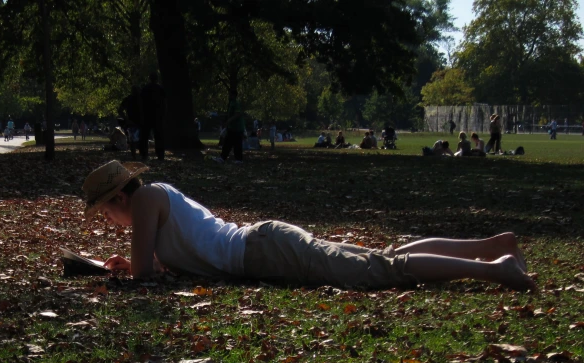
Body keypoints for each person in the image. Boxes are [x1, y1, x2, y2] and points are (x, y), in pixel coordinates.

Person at [82, 160, 534, 291]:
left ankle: (496, 268)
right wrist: (140, 265)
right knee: (388, 259)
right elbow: (167, 264)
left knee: (386, 272)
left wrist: (126, 271)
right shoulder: (155, 199)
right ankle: (491, 245)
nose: (109, 220)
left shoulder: (144, 199)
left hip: (263, 249)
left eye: (105, 211)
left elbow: (143, 277)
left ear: (120, 196)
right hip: (263, 244)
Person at [139, 72, 166, 161]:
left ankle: (144, 153)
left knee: (145, 136)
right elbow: (164, 102)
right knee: (159, 136)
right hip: (157, 115)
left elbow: (141, 103)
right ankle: (160, 154)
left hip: (147, 114)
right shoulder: (160, 89)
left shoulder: (145, 89)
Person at [215, 88, 244, 164]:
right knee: (228, 143)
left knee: (236, 144)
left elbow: (238, 114)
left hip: (237, 128)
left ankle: (238, 160)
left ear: (234, 95)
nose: (229, 96)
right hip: (232, 128)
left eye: (230, 94)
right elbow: (231, 114)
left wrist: (228, 121)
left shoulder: (236, 103)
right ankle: (223, 158)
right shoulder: (231, 103)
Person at [119, 86, 142, 161]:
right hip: (135, 122)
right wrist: (126, 119)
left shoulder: (129, 99)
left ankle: (136, 156)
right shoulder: (140, 99)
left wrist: (126, 119)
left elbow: (120, 110)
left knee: (134, 141)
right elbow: (120, 110)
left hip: (136, 122)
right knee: (134, 140)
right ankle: (137, 156)